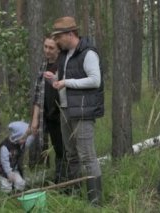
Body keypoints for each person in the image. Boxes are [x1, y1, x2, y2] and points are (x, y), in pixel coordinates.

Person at [45, 16, 104, 206]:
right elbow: (64, 79)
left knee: (87, 155)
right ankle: (76, 196)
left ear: (71, 34)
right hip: (65, 111)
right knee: (71, 155)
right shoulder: (65, 55)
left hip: (83, 112)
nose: (56, 41)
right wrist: (53, 78)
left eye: (59, 37)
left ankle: (95, 201)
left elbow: (95, 80)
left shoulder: (88, 54)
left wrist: (66, 82)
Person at [30, 36, 67, 184]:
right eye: (45, 46)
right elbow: (38, 94)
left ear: (58, 49)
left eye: (51, 48)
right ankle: (53, 179)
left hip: (62, 115)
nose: (47, 50)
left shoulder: (63, 65)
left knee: (62, 150)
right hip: (48, 116)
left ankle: (63, 181)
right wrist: (34, 119)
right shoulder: (43, 66)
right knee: (48, 148)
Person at [0, 121, 35, 193]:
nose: (25, 141)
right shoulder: (5, 147)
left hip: (13, 169)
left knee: (20, 183)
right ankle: (7, 198)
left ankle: (18, 195)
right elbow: (4, 161)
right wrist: (9, 173)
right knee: (7, 186)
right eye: (23, 138)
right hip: (2, 171)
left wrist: (33, 135)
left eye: (26, 138)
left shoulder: (20, 142)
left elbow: (28, 142)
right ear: (16, 137)